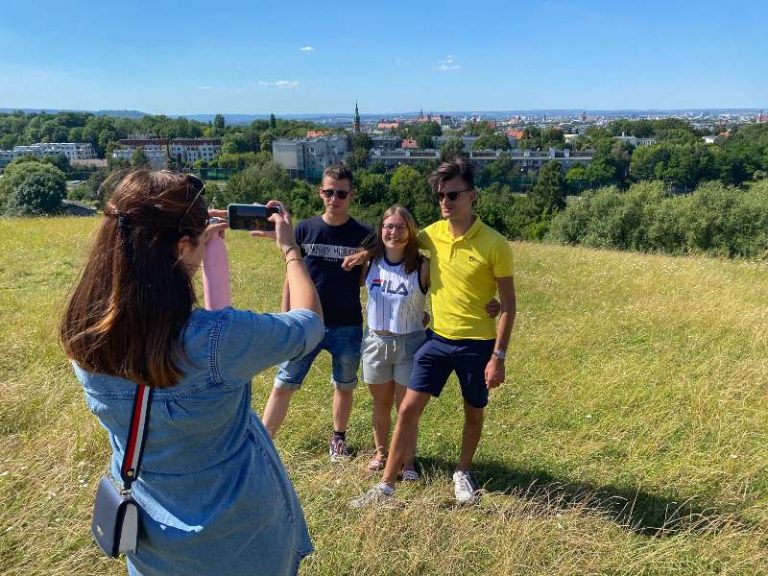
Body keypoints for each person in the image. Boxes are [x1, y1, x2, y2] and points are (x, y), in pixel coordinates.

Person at [60, 169, 324, 576]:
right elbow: (309, 323)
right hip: (243, 541)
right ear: (182, 247)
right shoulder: (220, 341)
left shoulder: (85, 337)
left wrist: (197, 250)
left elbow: (163, 332)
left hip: (154, 544)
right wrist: (290, 249)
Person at [350, 158, 516, 507]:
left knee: (473, 411)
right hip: (437, 340)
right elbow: (396, 239)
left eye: (453, 195)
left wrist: (498, 357)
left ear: (472, 196)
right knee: (408, 408)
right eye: (440, 196)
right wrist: (365, 253)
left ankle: (462, 472)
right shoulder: (432, 234)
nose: (445, 202)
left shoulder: (496, 244)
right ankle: (385, 486)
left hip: (477, 344)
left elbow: (508, 305)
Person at [360, 204, 500, 479]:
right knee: (380, 404)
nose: (393, 232)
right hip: (376, 342)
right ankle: (381, 453)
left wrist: (490, 303)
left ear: (411, 231)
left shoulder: (423, 266)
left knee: (406, 408)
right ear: (380, 229)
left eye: (400, 227)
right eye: (388, 226)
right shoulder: (370, 262)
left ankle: (408, 461)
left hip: (410, 342)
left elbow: (455, 288)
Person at [262, 164, 373, 462]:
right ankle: (263, 443)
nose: (334, 199)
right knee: (283, 383)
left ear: (351, 195)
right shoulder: (304, 229)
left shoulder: (365, 235)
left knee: (344, 386)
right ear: (320, 192)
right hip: (305, 322)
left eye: (341, 194)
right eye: (328, 192)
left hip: (347, 324)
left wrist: (366, 257)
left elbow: (369, 275)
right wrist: (285, 314)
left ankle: (338, 439)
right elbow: (291, 275)